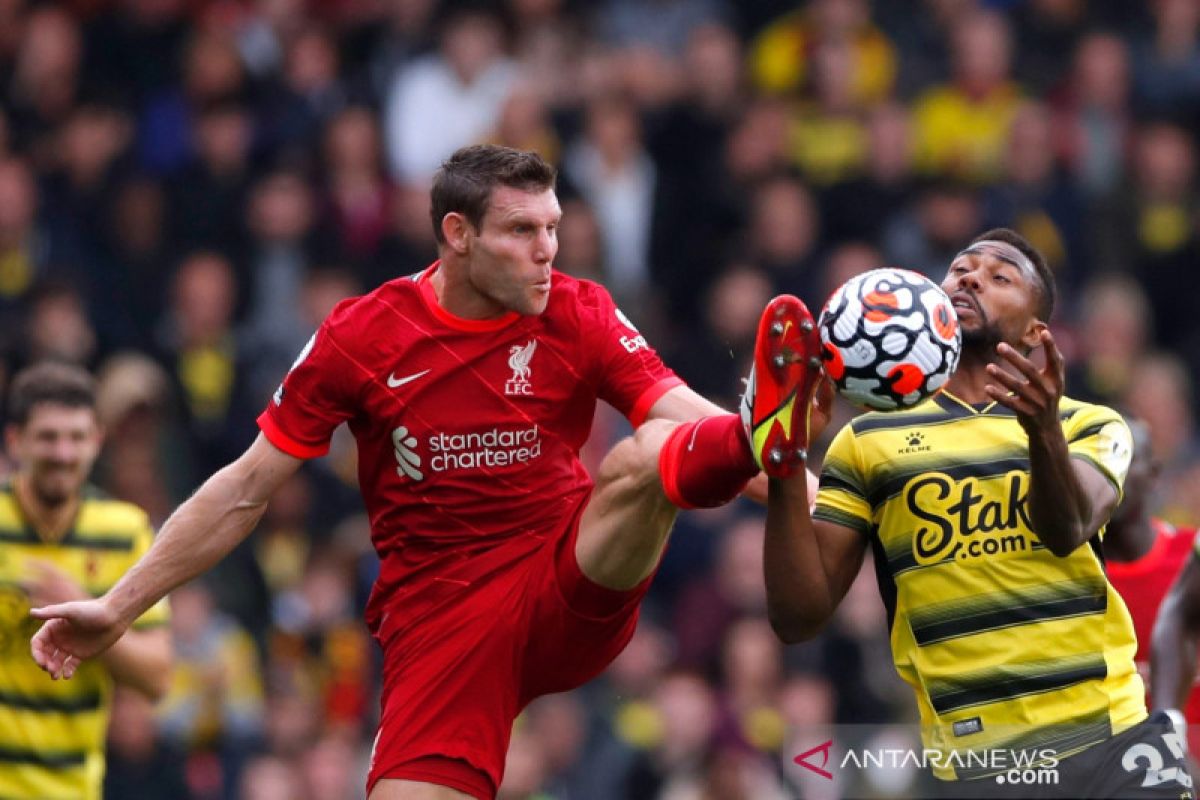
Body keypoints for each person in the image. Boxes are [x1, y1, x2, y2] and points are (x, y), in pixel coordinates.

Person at [27, 145, 809, 800]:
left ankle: (759, 438)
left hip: (564, 579)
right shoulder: (361, 335)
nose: (548, 251)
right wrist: (120, 606)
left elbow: (682, 415)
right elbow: (242, 489)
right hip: (441, 626)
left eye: (554, 229)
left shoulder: (578, 309)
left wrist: (819, 486)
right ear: (456, 233)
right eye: (522, 230)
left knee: (642, 460)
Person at [756, 227, 1195, 797]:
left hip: (1111, 741)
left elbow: (1066, 530)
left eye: (1000, 276)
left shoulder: (1089, 424)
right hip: (975, 768)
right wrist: (786, 461)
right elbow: (798, 618)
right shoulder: (865, 441)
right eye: (960, 269)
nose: (970, 278)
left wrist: (1041, 433)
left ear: (1037, 329)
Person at [0, 362, 172, 800]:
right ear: (15, 442)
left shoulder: (125, 531)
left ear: (97, 441)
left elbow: (157, 676)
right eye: (48, 437)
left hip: (74, 787)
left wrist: (95, 615)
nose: (63, 453)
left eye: (76, 437)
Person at [1106, 419, 1200, 753]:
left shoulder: (1191, 559)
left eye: (1124, 457)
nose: (1110, 471)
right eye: (1096, 458)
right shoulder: (1064, 580)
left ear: (1154, 473)